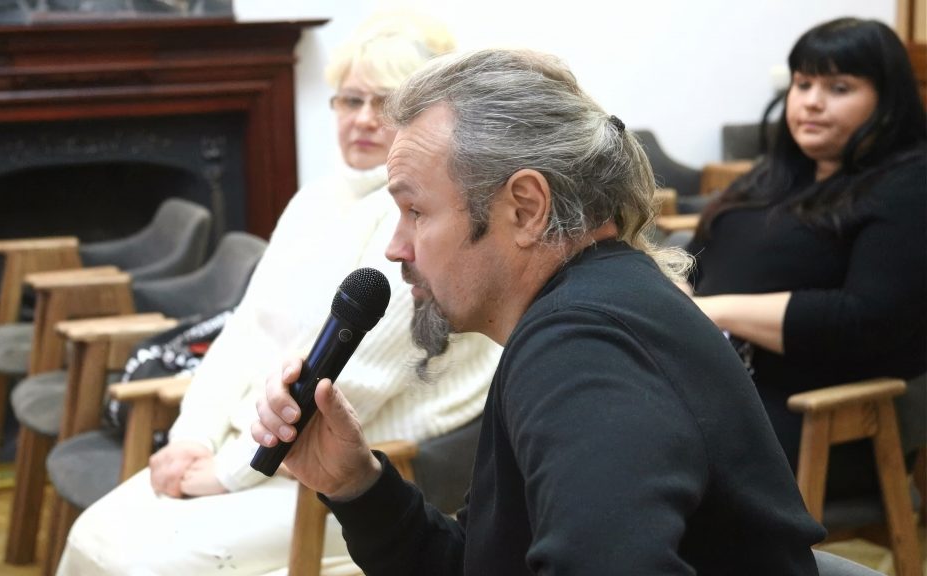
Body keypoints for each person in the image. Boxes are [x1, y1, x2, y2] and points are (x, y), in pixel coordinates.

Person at [254, 48, 826, 574]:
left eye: (416, 211)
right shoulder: (578, 314)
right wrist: (355, 483)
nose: (395, 247)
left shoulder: (580, 345)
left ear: (526, 208)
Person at [58, 14, 502, 576]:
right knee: (93, 534)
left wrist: (227, 473)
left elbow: (347, 384)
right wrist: (193, 437)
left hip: (360, 475)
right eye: (350, 100)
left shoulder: (419, 218)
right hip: (256, 448)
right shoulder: (315, 200)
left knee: (142, 562)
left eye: (386, 104)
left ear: (423, 117)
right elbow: (246, 329)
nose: (364, 119)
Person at [685, 17, 927, 498]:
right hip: (714, 389)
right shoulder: (773, 176)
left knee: (630, 445)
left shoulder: (909, 184)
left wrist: (714, 310)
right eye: (803, 84)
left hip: (823, 420)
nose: (812, 101)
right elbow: (695, 260)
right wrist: (673, 288)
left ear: (887, 99)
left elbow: (866, 317)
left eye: (839, 87)